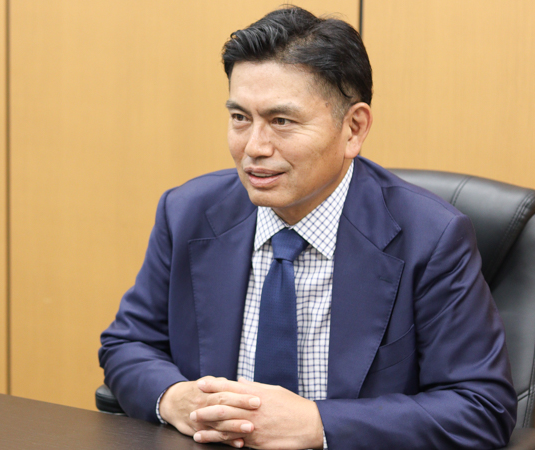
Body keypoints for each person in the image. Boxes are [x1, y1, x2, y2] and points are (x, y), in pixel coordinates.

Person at [98, 5, 516, 450]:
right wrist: (173, 398)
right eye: (240, 118)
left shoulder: (431, 237)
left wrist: (319, 424)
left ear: (353, 128)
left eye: (281, 121)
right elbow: (127, 343)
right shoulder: (188, 212)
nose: (254, 147)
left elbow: (481, 406)